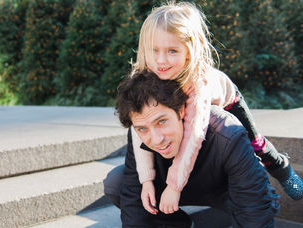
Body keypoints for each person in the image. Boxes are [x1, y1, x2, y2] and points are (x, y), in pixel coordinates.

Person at [128, 1, 302, 216]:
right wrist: (146, 179)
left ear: (189, 52)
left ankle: (282, 169)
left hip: (228, 100)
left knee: (255, 143)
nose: (161, 60)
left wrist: (174, 187)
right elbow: (138, 127)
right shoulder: (146, 75)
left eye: (172, 51)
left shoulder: (198, 84)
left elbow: (193, 136)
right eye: (154, 50)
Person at [104, 70, 279, 227]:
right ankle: (177, 224)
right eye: (142, 129)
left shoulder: (226, 132)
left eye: (162, 121)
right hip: (174, 188)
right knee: (116, 183)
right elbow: (132, 197)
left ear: (181, 111)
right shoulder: (140, 129)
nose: (156, 139)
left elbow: (254, 208)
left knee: (262, 200)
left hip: (227, 189)